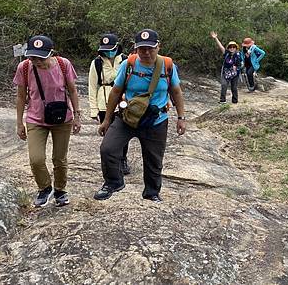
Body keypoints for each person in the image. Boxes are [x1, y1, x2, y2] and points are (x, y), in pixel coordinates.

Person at [94, 29, 186, 203]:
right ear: (136, 48)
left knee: (154, 159)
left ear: (158, 47)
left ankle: (151, 192)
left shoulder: (167, 66)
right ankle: (113, 182)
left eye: (150, 48)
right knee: (108, 148)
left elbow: (176, 92)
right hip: (128, 117)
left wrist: (181, 118)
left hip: (156, 121)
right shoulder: (129, 64)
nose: (146, 52)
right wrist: (106, 119)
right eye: (141, 48)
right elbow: (115, 92)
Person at [13, 35, 81, 207]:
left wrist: (77, 116)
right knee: (36, 159)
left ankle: (60, 190)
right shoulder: (25, 67)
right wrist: (19, 122)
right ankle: (44, 188)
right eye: (32, 56)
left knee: (59, 158)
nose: (36, 61)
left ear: (50, 53)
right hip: (36, 119)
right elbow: (21, 96)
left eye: (40, 58)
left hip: (62, 119)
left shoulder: (63, 65)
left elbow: (72, 91)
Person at [88, 33, 131, 175]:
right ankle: (110, 161)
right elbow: (92, 87)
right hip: (104, 102)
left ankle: (122, 159)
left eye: (111, 49)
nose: (109, 52)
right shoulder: (97, 63)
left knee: (124, 132)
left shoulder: (126, 60)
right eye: (106, 50)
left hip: (123, 102)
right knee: (108, 135)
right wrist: (93, 110)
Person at [210, 31, 242, 104]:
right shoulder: (226, 53)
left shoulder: (238, 55)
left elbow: (240, 65)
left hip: (235, 74)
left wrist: (236, 68)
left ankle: (235, 101)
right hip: (226, 72)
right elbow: (220, 46)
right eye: (230, 47)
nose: (232, 48)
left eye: (234, 47)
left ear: (236, 48)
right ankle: (222, 101)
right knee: (224, 85)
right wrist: (216, 38)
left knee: (234, 88)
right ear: (228, 48)